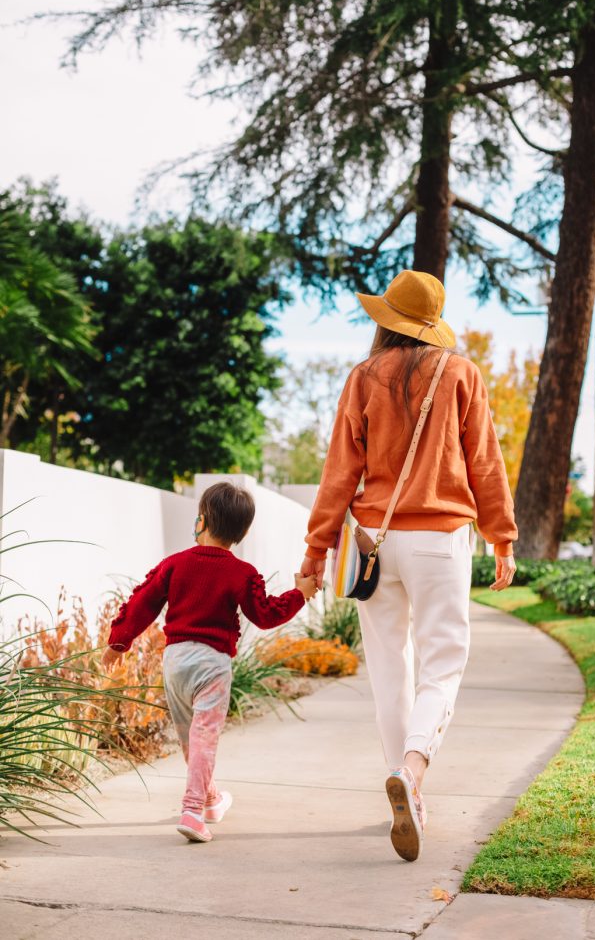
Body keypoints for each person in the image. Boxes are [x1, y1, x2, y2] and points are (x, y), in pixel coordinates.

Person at [301, 270, 517, 862]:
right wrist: (501, 537)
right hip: (439, 539)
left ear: (386, 319)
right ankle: (414, 770)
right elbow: (485, 463)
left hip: (375, 539)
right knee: (442, 662)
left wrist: (314, 553)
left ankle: (406, 792)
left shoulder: (364, 376)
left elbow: (339, 473)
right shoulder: (460, 374)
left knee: (389, 671)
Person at [102, 480, 318, 843]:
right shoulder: (241, 572)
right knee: (204, 738)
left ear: (201, 520)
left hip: (175, 660)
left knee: (191, 738)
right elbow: (266, 614)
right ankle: (192, 809)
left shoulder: (174, 565)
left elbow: (142, 602)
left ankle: (212, 799)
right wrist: (301, 593)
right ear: (243, 531)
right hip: (212, 664)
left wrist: (118, 642)